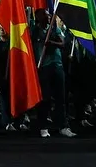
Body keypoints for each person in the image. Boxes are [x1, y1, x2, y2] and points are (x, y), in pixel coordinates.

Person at [34, 7, 73, 138]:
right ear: (38, 17)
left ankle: (63, 126)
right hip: (43, 67)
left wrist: (52, 42)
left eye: (49, 15)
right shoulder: (35, 32)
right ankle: (43, 126)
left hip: (57, 66)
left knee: (61, 97)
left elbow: (63, 44)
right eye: (45, 15)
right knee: (44, 98)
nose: (48, 17)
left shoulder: (54, 29)